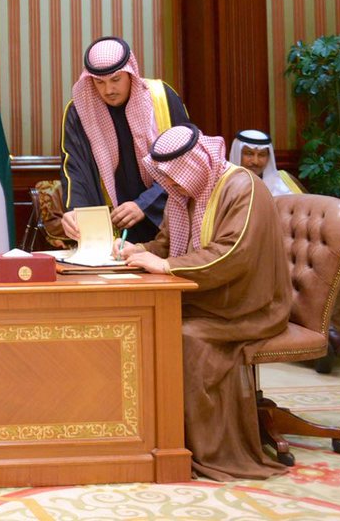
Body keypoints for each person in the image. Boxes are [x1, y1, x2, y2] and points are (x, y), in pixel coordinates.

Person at [117, 124, 289, 480]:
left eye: (175, 177)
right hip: (208, 295)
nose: (170, 185)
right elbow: (168, 244)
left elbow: (232, 254)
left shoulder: (243, 188)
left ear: (194, 165)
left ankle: (199, 445)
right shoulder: (186, 192)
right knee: (141, 321)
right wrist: (138, 250)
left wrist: (166, 265)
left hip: (246, 302)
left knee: (183, 336)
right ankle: (147, 433)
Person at [231, 128, 340, 364]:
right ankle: (327, 339)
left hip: (296, 253)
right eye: (249, 154)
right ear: (238, 154)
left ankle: (331, 337)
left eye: (262, 155)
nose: (255, 161)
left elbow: (314, 225)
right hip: (256, 255)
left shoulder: (284, 182)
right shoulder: (229, 185)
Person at [60, 36, 189, 244]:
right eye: (99, 82)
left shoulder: (162, 99)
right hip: (111, 228)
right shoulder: (79, 112)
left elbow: (186, 162)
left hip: (164, 222)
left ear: (130, 73)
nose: (108, 90)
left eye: (116, 79)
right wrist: (76, 212)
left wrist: (144, 205)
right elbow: (75, 169)